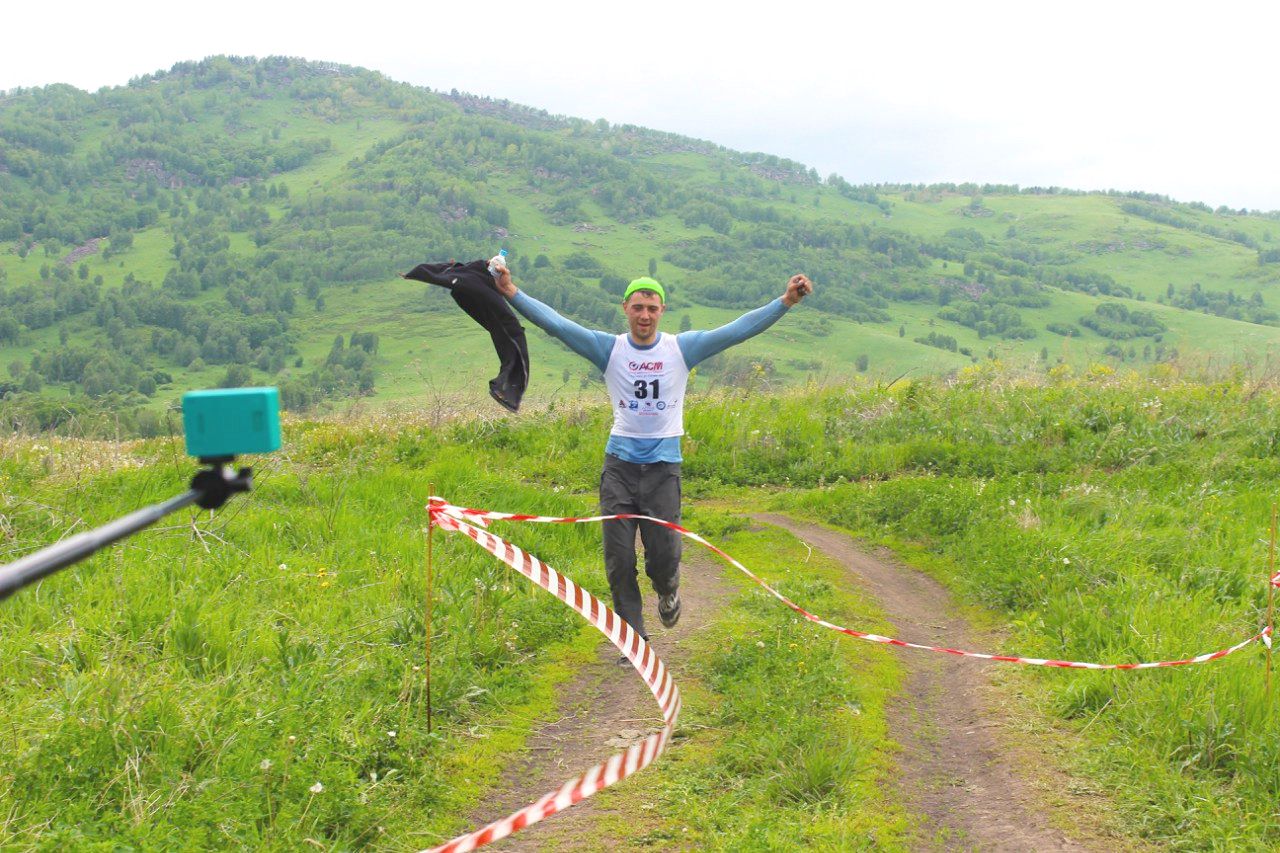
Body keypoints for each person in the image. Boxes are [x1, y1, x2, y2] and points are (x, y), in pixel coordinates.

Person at [492, 263, 813, 645]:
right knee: (619, 559)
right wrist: (511, 291)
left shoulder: (681, 348)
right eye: (638, 307)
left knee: (663, 556)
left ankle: (668, 588)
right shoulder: (607, 348)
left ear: (661, 311)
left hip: (664, 470)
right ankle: (633, 639)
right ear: (625, 307)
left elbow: (736, 331)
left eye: (652, 308)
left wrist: (785, 302)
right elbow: (558, 325)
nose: (645, 315)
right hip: (619, 469)